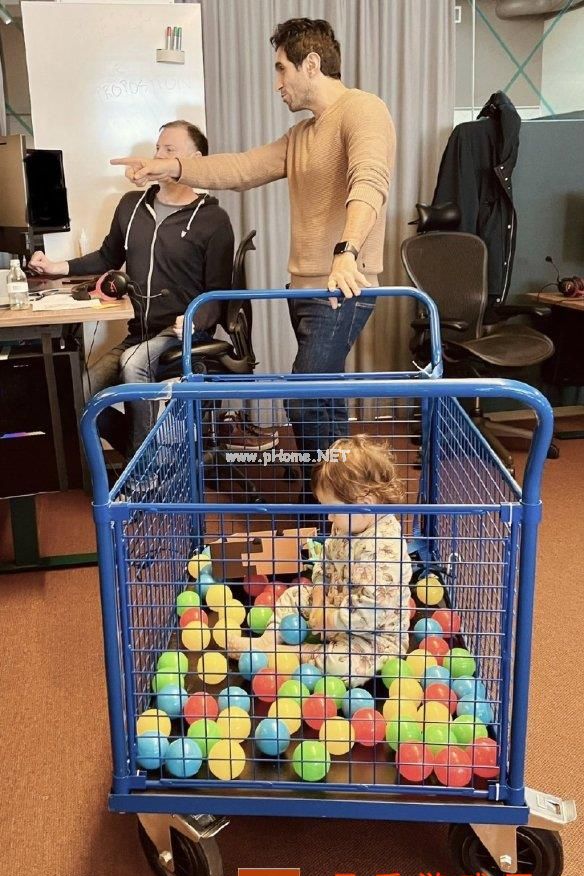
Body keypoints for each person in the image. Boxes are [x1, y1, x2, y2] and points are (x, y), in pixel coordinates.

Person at [110, 19, 396, 498]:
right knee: (323, 402)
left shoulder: (363, 110)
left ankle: (329, 506)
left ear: (311, 64)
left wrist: (347, 252)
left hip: (343, 287)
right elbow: (239, 168)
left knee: (303, 397)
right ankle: (336, 503)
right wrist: (171, 166)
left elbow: (369, 181)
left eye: (282, 69)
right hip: (302, 292)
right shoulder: (302, 134)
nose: (277, 82)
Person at [29, 120, 235, 458]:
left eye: (169, 150)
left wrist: (194, 320)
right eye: (157, 148)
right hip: (137, 334)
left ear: (195, 160)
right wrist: (57, 266)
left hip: (182, 335)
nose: (158, 155)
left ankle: (146, 476)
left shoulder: (214, 220)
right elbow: (107, 257)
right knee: (79, 397)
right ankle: (147, 454)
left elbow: (217, 293)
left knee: (133, 362)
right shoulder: (131, 205)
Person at [227, 435, 412, 687]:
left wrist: (330, 620)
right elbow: (325, 562)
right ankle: (267, 642)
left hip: (372, 638)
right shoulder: (348, 523)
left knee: (340, 663)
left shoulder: (383, 550)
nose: (329, 518)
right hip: (332, 604)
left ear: (365, 505)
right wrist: (318, 601)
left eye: (333, 510)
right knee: (293, 595)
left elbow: (371, 612)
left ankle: (289, 655)